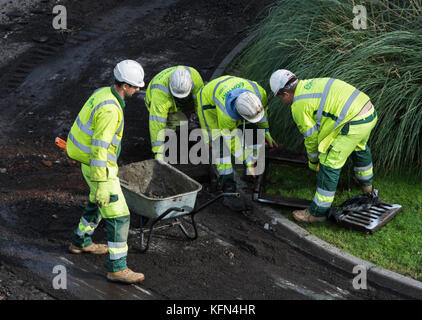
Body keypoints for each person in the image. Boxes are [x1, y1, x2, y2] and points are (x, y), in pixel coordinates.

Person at [66, 60, 146, 283]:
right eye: (134, 86)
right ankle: (117, 268)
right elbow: (100, 149)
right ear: (123, 86)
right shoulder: (111, 109)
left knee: (97, 204)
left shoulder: (103, 93)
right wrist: (102, 183)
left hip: (89, 163)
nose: (138, 89)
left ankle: (80, 242)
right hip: (99, 169)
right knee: (120, 216)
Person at [269, 69, 377, 223]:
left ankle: (317, 213)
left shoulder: (298, 105)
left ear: (285, 94)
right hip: (368, 112)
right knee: (359, 148)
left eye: (280, 98)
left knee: (329, 163)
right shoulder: (312, 83)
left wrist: (313, 162)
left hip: (353, 122)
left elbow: (311, 139)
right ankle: (367, 187)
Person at [196, 75, 278, 211]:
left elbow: (262, 115)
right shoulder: (225, 115)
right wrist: (247, 160)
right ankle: (229, 190)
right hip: (208, 104)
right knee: (220, 147)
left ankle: (253, 175)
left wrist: (266, 131)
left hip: (229, 90)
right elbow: (232, 142)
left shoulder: (260, 93)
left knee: (254, 132)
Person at [144, 66, 204, 160]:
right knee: (180, 123)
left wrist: (205, 129)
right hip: (159, 105)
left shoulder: (194, 76)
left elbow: (200, 104)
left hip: (182, 102)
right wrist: (158, 152)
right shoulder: (159, 94)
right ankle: (175, 146)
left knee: (203, 104)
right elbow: (157, 123)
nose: (180, 97)